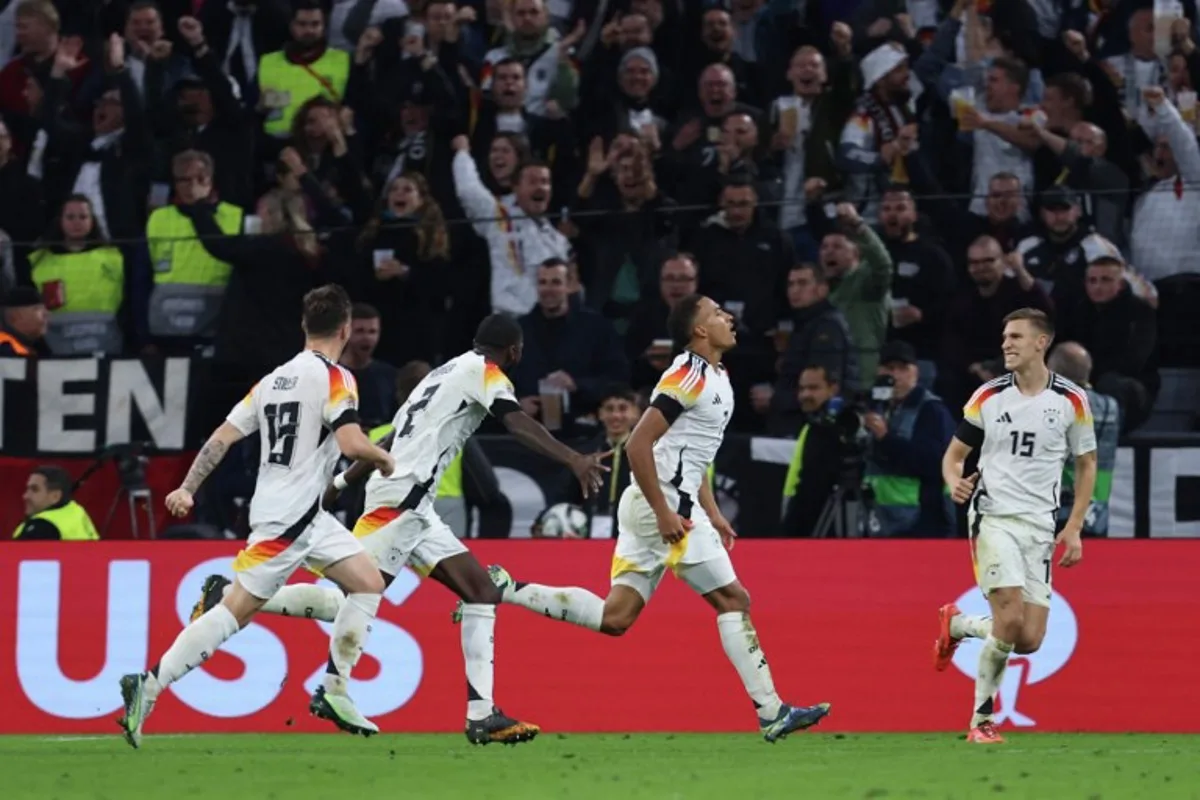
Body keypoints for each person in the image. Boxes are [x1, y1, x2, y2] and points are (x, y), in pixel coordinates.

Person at [190, 313, 609, 746]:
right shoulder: (487, 374)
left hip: (413, 506)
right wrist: (573, 458)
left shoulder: (440, 375)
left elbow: (389, 441)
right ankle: (230, 600)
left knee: (481, 591)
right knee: (349, 598)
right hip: (402, 504)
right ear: (515, 351)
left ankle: (483, 714)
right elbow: (517, 422)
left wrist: (338, 483)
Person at [455, 294, 831, 742]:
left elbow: (692, 453)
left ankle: (508, 588)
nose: (728, 317)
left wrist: (712, 511)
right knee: (734, 600)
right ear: (699, 330)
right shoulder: (687, 374)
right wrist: (665, 512)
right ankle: (772, 711)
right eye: (716, 313)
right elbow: (638, 446)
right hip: (664, 505)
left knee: (616, 617)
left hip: (660, 503)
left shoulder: (717, 375)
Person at [117, 285, 396, 749]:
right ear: (345, 329)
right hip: (289, 518)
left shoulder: (272, 380)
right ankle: (149, 684)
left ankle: (334, 689)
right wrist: (382, 459)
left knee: (367, 583)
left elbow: (221, 439)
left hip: (306, 514)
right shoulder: (337, 378)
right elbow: (350, 445)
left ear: (305, 327)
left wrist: (188, 487)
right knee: (235, 615)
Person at [936, 308, 1098, 744]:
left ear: (1041, 343)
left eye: (1016, 337)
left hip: (1040, 526)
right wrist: (955, 483)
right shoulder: (988, 397)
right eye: (1005, 336)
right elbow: (953, 457)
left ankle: (959, 625)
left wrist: (1075, 526)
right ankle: (981, 721)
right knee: (1008, 616)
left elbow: (1086, 464)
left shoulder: (1072, 401)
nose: (1006, 344)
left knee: (1028, 639)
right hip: (994, 518)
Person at [12, 465, 99, 540]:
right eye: (27, 489)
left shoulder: (43, 526)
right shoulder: (76, 511)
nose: (25, 496)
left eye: (35, 490)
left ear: (55, 496)